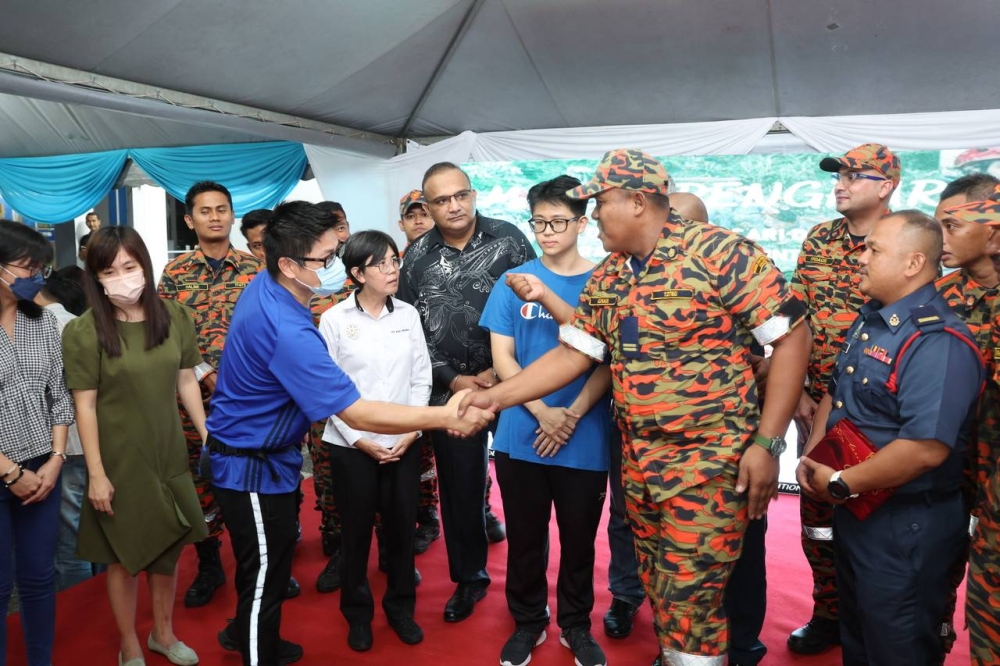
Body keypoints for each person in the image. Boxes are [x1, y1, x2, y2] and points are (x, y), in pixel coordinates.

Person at [461, 149, 810, 666]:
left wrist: (768, 442)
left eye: (600, 203)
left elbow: (792, 336)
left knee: (692, 600)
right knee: (662, 587)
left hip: (708, 465)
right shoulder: (612, 276)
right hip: (641, 467)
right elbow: (575, 353)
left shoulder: (722, 254)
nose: (595, 214)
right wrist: (492, 397)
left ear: (638, 202)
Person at [202, 200, 494, 666]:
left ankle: (252, 635)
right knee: (264, 578)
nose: (335, 266)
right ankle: (257, 647)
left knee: (272, 562)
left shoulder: (268, 288)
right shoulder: (288, 327)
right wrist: (445, 418)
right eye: (326, 259)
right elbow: (355, 412)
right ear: (288, 264)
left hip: (270, 457)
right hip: (248, 465)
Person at [797, 210, 983, 666]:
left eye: (874, 250)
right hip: (857, 512)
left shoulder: (936, 341)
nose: (860, 258)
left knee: (898, 647)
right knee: (859, 639)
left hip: (906, 525)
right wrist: (814, 456)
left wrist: (840, 482)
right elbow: (836, 393)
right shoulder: (872, 320)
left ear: (913, 263)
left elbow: (925, 448)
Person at [480, 175, 611, 666]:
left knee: (579, 540)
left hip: (585, 432)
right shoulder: (511, 281)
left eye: (558, 221)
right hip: (521, 431)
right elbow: (503, 358)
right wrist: (542, 411)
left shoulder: (605, 281)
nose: (548, 232)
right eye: (539, 222)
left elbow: (607, 358)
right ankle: (529, 621)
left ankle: (576, 625)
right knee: (525, 537)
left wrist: (571, 415)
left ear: (582, 223)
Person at [398, 162, 536, 623]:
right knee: (460, 490)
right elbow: (410, 330)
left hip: (514, 385)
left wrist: (502, 371)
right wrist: (454, 380)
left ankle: (528, 592)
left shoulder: (509, 239)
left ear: (473, 194)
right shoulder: (416, 257)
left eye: (461, 195)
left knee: (524, 488)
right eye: (442, 200)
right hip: (450, 394)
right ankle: (469, 579)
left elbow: (534, 309)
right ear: (428, 205)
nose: (454, 206)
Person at [64, 226, 208, 666]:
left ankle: (163, 634)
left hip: (167, 451)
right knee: (122, 556)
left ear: (144, 264)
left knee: (168, 547)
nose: (122, 277)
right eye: (109, 271)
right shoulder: (84, 331)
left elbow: (187, 379)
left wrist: (208, 434)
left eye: (129, 266)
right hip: (118, 459)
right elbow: (85, 406)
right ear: (95, 277)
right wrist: (97, 473)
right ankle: (129, 643)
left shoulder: (174, 316)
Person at [788, 142, 901, 655]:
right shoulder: (820, 238)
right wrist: (796, 393)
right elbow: (796, 318)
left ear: (886, 186)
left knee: (874, 518)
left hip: (876, 415)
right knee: (818, 519)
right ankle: (829, 613)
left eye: (855, 176)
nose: (841, 184)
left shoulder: (903, 240)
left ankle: (870, 620)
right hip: (815, 409)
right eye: (840, 175)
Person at [318, 230, 431, 651]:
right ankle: (357, 615)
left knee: (401, 531)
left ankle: (401, 609)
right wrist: (357, 438)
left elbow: (421, 377)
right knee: (355, 533)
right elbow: (327, 388)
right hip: (351, 446)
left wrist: (411, 430)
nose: (392, 270)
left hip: (404, 442)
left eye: (394, 260)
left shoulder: (408, 315)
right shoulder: (334, 319)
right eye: (381, 264)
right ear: (357, 273)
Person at [158, 181, 266, 608]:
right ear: (190, 220)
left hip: (251, 399)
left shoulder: (257, 269)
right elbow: (166, 336)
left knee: (254, 481)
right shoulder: (174, 274)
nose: (215, 217)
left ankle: (259, 567)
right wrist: (206, 375)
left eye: (222, 209)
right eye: (205, 211)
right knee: (200, 482)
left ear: (232, 215)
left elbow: (269, 329)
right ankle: (209, 565)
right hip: (193, 402)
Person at [932, 173, 1000, 656]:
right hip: (946, 470)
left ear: (993, 234)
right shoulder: (938, 299)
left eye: (951, 226)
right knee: (931, 579)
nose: (940, 238)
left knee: (990, 600)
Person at [0, 220, 73, 666]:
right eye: (27, 268)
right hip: (4, 468)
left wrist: (57, 458)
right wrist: (11, 473)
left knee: (39, 577)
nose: (36, 278)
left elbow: (59, 395)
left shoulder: (43, 322)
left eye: (40, 269)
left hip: (44, 467)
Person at [32, 266, 96, 591]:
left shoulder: (39, 326)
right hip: (91, 442)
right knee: (95, 530)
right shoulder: (80, 324)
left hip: (63, 444)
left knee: (69, 539)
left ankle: (78, 604)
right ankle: (98, 602)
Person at [397, 189, 441, 555]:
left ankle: (481, 509)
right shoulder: (389, 264)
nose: (419, 220)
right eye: (411, 216)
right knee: (418, 450)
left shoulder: (451, 258)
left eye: (424, 213)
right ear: (402, 224)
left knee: (464, 449)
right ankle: (424, 515)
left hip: (451, 372)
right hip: (406, 375)